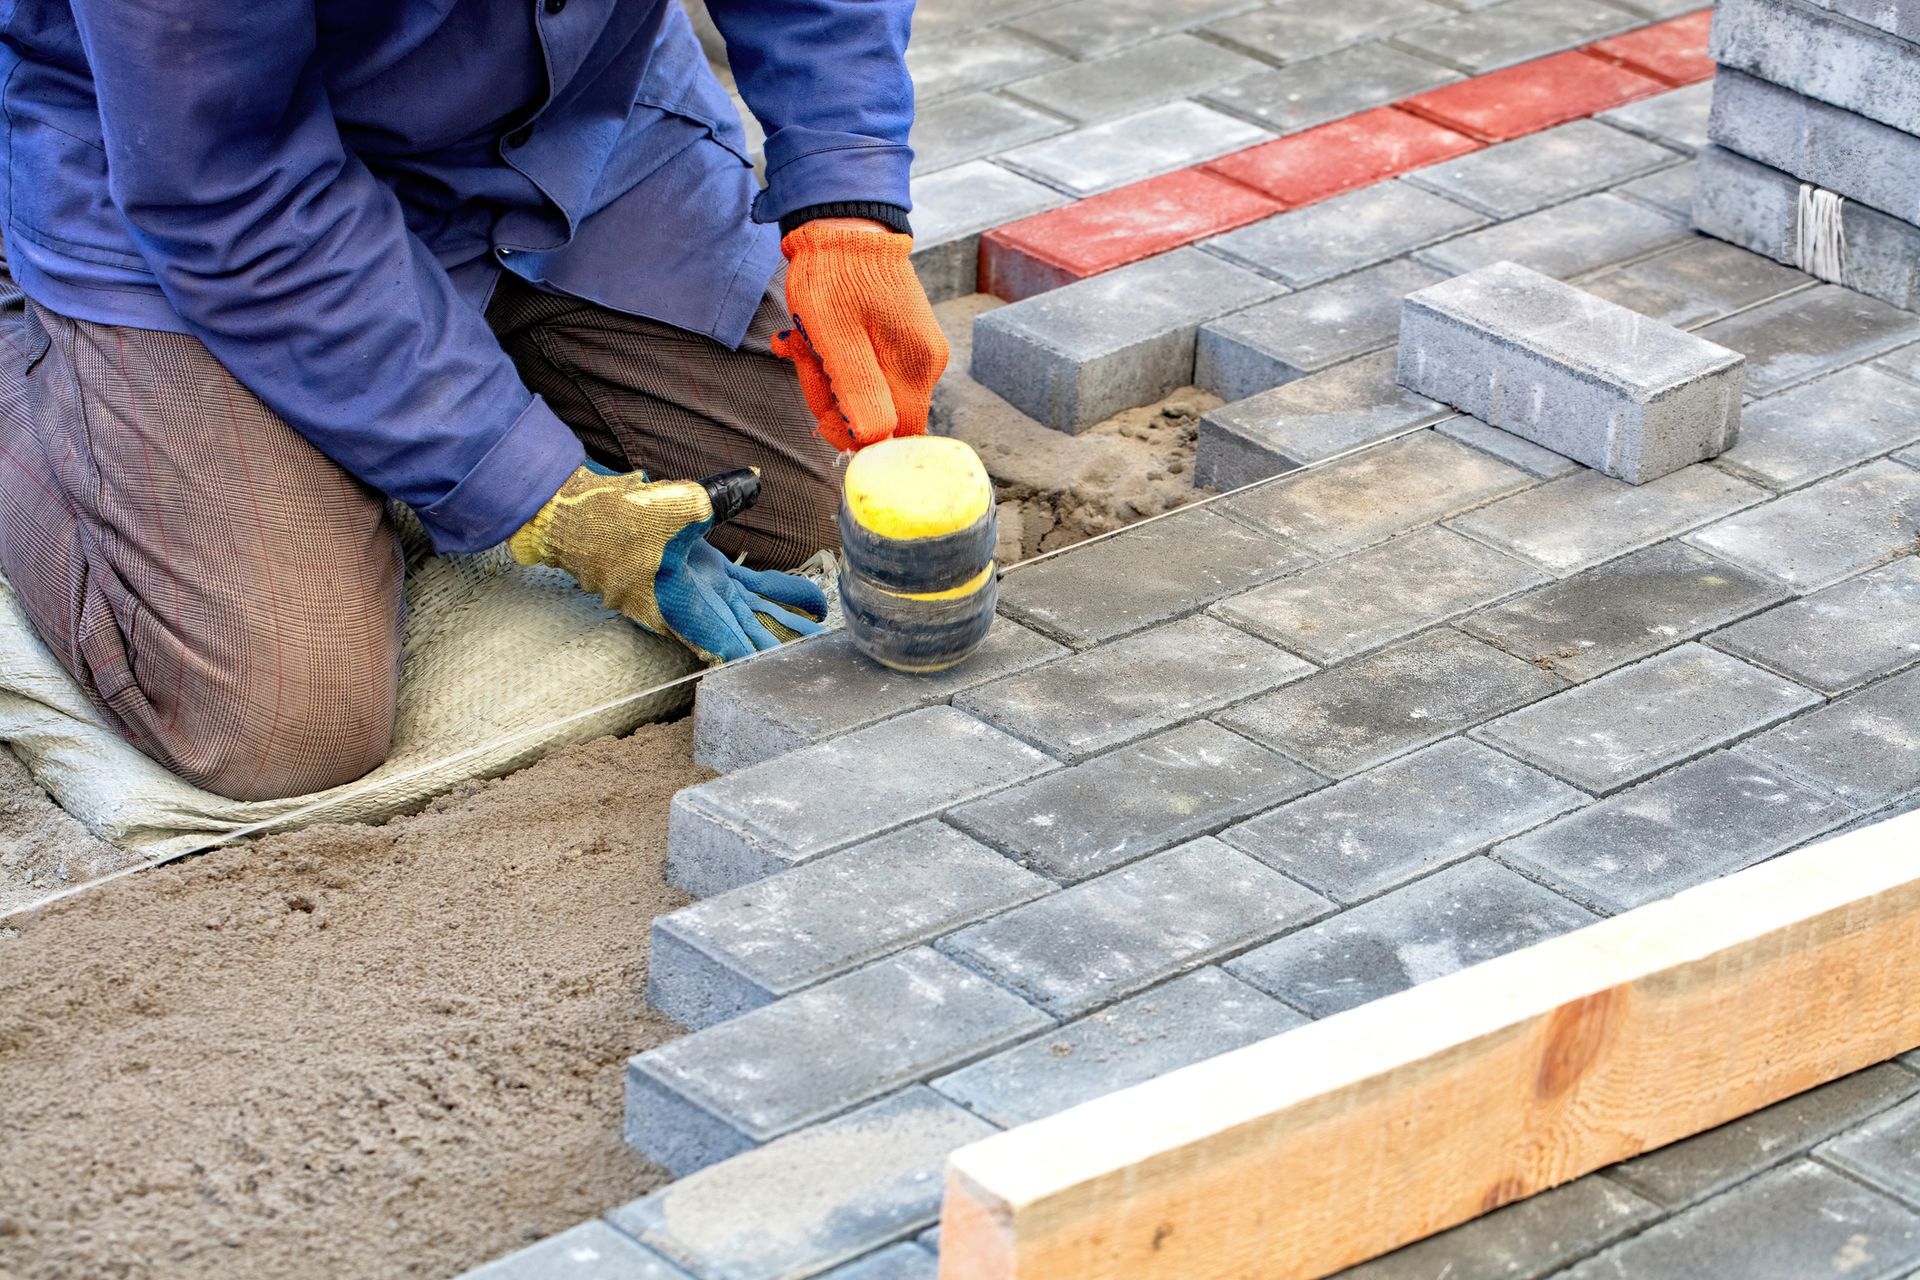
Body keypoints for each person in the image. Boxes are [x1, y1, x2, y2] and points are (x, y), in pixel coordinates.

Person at [0, 0, 948, 801]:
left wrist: (846, 199)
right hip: (197, 185)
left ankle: (428, 380)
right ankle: (42, 357)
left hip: (573, 125)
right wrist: (541, 497)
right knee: (282, 719)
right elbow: (230, 183)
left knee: (821, 517)